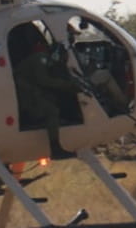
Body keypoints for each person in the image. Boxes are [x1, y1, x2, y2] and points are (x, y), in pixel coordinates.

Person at [12, 27, 83, 159]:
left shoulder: (41, 58)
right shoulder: (40, 58)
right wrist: (66, 85)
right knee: (52, 111)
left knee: (51, 101)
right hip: (24, 94)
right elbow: (43, 80)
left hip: (27, 91)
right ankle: (55, 148)